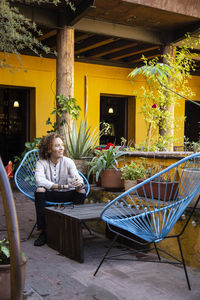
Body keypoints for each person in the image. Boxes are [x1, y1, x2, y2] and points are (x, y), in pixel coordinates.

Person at [34, 132, 86, 246]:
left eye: (62, 145)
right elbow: (40, 181)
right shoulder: (41, 163)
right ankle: (44, 231)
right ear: (49, 148)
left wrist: (78, 183)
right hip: (50, 194)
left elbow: (77, 177)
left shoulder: (68, 161)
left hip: (66, 194)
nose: (61, 148)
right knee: (40, 190)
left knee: (81, 191)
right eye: (57, 145)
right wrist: (62, 186)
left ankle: (72, 226)